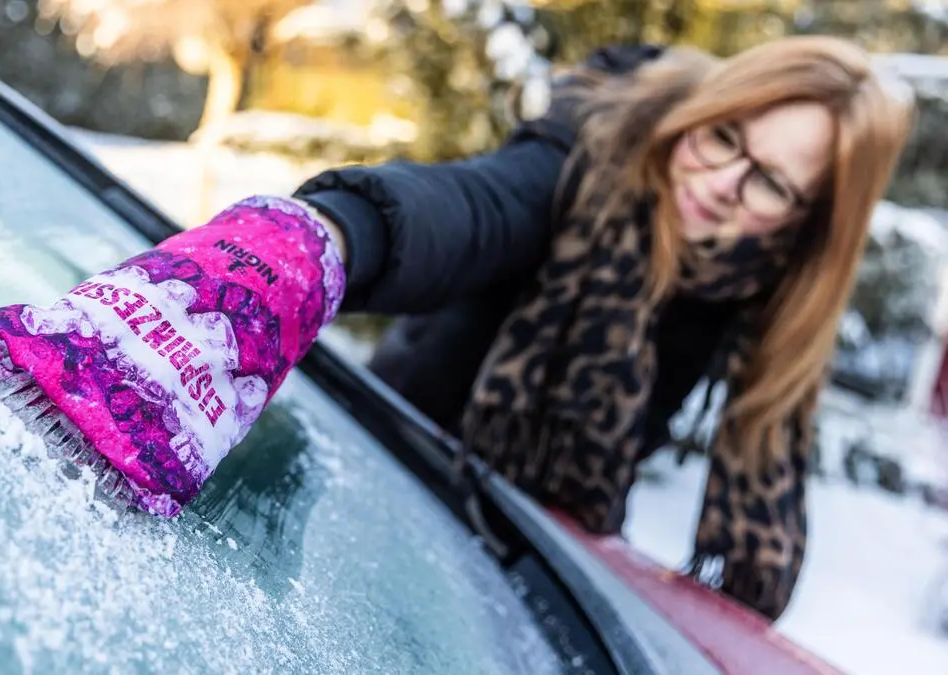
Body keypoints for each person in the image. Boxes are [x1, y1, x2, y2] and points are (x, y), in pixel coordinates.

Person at [275, 36, 914, 621]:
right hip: (374, 471)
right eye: (723, 136)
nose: (723, 184)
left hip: (522, 584)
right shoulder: (601, 134)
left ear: (808, 224)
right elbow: (477, 205)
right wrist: (328, 236)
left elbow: (757, 526)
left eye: (770, 182)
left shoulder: (762, 283)